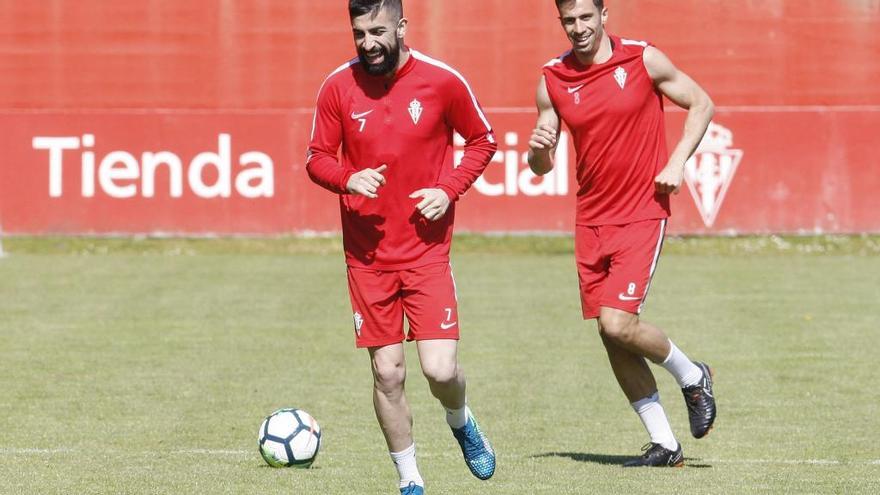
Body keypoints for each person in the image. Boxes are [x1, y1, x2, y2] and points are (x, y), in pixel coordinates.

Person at [306, 0, 497, 492]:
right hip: (367, 259)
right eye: (358, 33)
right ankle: (410, 479)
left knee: (440, 368)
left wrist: (447, 189)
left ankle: (461, 421)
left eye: (377, 31)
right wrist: (349, 179)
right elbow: (317, 158)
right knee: (387, 374)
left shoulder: (442, 80)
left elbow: (483, 141)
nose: (368, 43)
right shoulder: (337, 86)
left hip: (426, 253)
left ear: (401, 26)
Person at [528, 0, 717, 467]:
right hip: (591, 220)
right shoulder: (552, 79)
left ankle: (692, 375)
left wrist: (676, 162)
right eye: (569, 21)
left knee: (618, 322)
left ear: (604, 14)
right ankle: (665, 444)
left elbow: (701, 102)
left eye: (585, 18)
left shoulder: (642, 58)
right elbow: (541, 161)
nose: (578, 28)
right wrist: (537, 151)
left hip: (641, 212)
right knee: (609, 336)